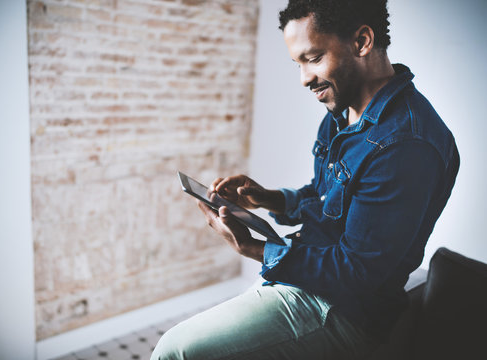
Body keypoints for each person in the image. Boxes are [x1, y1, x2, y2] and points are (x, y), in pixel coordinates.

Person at [151, 0, 459, 359]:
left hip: (343, 312)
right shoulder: (342, 111)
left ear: (361, 41)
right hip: (304, 276)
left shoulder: (406, 144)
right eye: (297, 64)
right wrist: (266, 199)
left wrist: (253, 248)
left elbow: (356, 271)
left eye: (313, 59)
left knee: (176, 349)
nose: (304, 79)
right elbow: (327, 198)